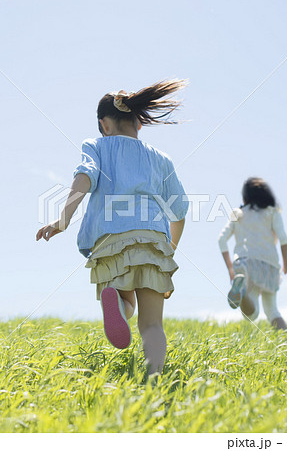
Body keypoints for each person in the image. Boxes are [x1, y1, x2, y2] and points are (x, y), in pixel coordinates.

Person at [36, 80, 189, 374]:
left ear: (103, 125)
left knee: (123, 299)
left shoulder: (96, 146)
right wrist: (169, 250)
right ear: (139, 124)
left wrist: (63, 219)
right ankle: (154, 378)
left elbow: (85, 176)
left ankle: (116, 306)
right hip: (153, 240)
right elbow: (179, 211)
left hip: (110, 239)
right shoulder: (161, 159)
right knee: (152, 323)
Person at [218, 177, 287, 330]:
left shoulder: (238, 213)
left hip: (246, 263)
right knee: (272, 311)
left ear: (245, 197)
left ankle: (243, 291)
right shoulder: (272, 212)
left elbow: (221, 240)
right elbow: (283, 239)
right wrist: (285, 267)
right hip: (270, 266)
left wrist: (230, 269)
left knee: (251, 315)